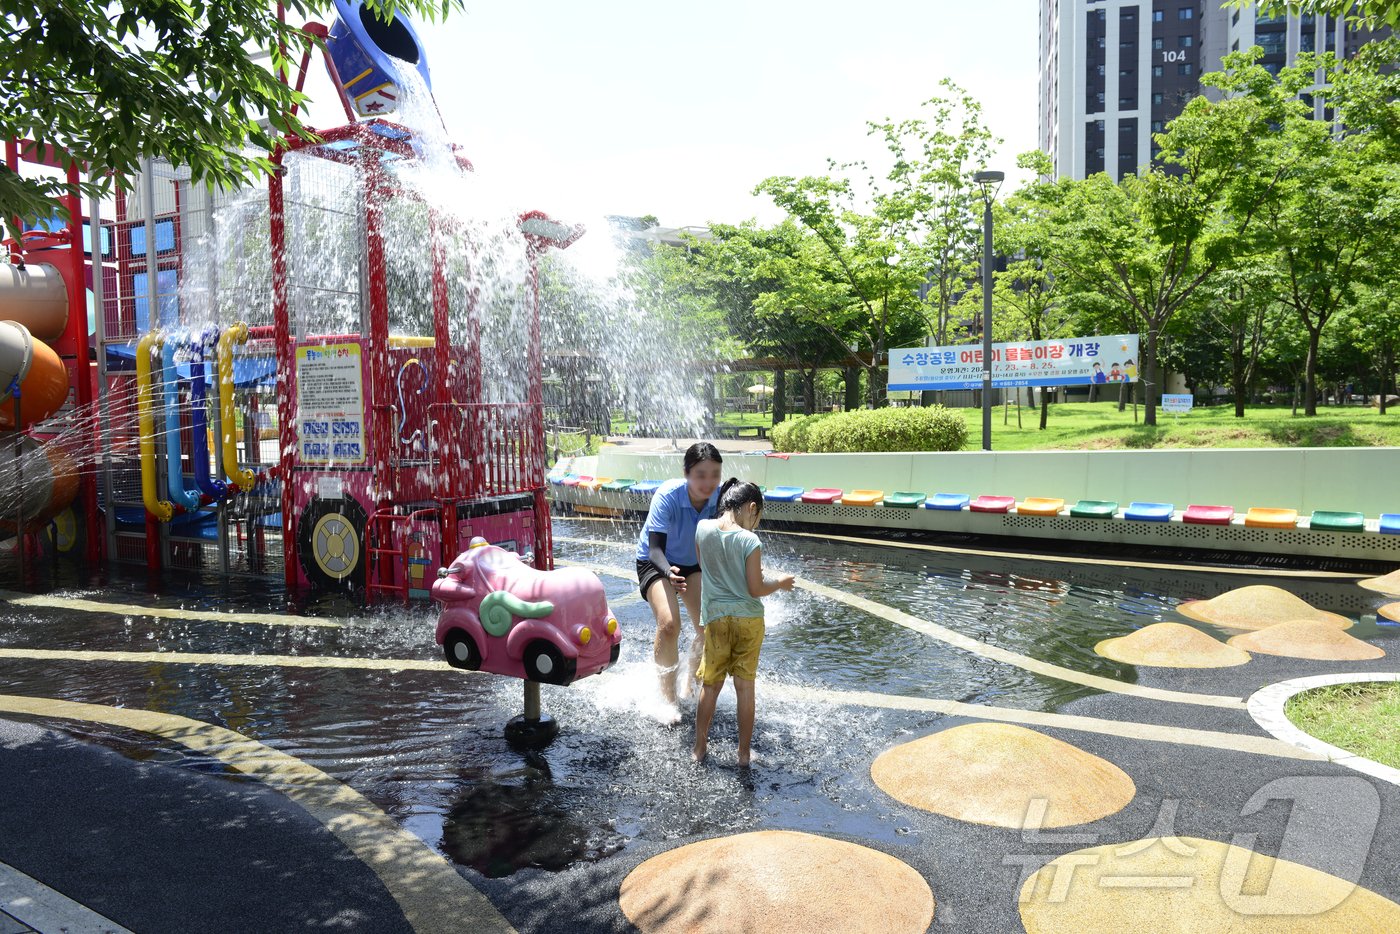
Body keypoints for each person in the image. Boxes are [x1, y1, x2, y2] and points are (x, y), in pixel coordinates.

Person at [691, 479, 793, 766]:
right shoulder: (750, 540)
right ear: (750, 508)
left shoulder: (702, 529)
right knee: (745, 687)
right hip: (749, 621)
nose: (755, 524)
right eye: (756, 517)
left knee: (710, 685)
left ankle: (699, 747)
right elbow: (756, 589)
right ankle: (743, 754)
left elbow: (705, 567)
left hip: (716, 620)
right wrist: (780, 583)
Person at [636, 442, 723, 720]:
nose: (708, 482)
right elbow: (654, 549)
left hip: (692, 564)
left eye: (715, 474)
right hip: (656, 562)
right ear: (686, 473)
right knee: (670, 624)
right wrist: (668, 572)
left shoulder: (720, 498)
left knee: (708, 627)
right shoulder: (669, 496)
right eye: (700, 474)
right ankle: (668, 699)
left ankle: (691, 687)